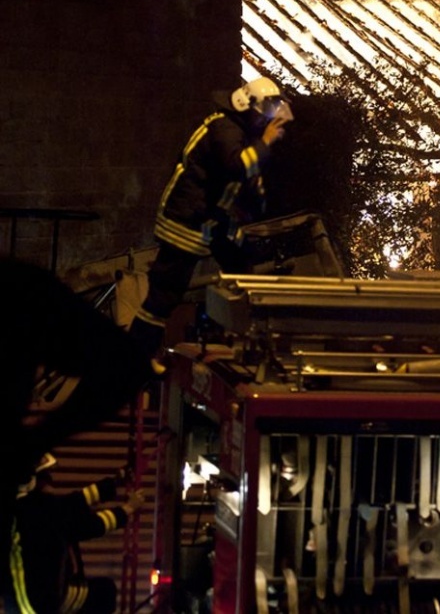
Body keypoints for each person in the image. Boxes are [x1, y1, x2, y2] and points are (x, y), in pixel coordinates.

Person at [0, 257, 154, 609]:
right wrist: (38, 439)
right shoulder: (19, 291)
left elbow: (123, 365)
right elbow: (124, 365)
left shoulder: (17, 293)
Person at [127, 76, 293, 359]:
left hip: (209, 220)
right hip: (187, 222)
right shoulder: (223, 129)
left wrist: (258, 198)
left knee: (241, 267)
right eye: (265, 113)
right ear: (248, 106)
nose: (268, 121)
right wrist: (265, 143)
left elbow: (248, 179)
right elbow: (238, 166)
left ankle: (239, 339)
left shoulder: (237, 130)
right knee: (165, 293)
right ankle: (135, 356)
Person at [9, 456, 145, 614]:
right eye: (45, 476)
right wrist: (127, 509)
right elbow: (86, 525)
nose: (50, 480)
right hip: (40, 602)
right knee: (104, 592)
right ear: (30, 481)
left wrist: (115, 482)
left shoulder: (27, 506)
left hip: (32, 597)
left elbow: (75, 502)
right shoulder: (40, 509)